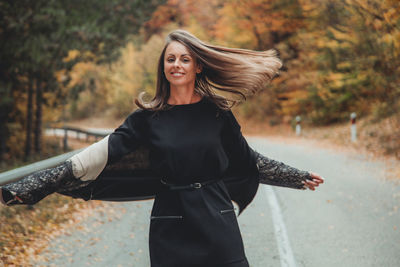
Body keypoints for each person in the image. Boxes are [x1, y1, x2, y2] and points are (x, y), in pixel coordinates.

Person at [0, 30, 323, 266]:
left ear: (198, 66)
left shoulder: (217, 114)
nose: (177, 64)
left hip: (215, 213)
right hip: (171, 217)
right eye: (171, 59)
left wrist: (294, 176)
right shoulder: (146, 118)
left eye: (185, 59)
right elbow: (96, 156)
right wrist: (31, 186)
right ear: (163, 67)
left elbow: (246, 160)